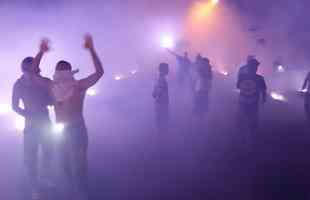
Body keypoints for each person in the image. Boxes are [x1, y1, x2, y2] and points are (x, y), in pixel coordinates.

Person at [32, 34, 104, 198]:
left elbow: (99, 73)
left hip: (76, 128)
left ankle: (82, 194)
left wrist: (41, 52)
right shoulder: (54, 85)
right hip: (63, 130)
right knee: (65, 164)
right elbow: (34, 75)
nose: (63, 82)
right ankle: (74, 192)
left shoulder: (78, 86)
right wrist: (41, 52)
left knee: (78, 165)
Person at [12, 39, 54, 200]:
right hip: (31, 124)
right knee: (30, 157)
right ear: (25, 70)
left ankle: (46, 180)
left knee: (48, 151)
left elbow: (51, 99)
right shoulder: (19, 85)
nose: (34, 72)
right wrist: (27, 114)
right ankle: (35, 188)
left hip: (44, 121)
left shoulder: (42, 82)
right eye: (31, 69)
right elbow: (14, 106)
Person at [237, 58, 267, 134]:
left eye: (256, 67)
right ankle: (244, 133)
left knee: (251, 118)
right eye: (254, 66)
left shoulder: (258, 78)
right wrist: (263, 98)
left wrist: (263, 97)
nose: (255, 68)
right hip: (246, 100)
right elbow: (238, 86)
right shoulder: (258, 78)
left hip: (250, 101)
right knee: (244, 117)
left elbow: (263, 89)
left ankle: (251, 133)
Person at [152, 63, 170, 133]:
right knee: (162, 123)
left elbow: (153, 94)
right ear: (164, 69)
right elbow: (158, 92)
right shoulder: (162, 79)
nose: (169, 70)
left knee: (159, 122)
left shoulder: (157, 78)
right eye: (167, 68)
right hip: (162, 104)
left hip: (158, 104)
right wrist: (161, 101)